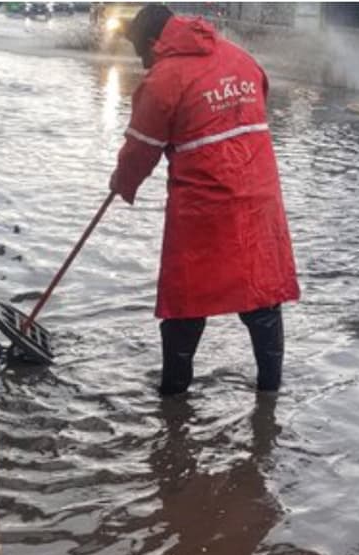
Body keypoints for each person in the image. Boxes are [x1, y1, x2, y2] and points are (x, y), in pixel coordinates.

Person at [108, 4, 300, 395]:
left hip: (204, 208)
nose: (142, 62)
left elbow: (139, 150)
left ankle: (173, 398)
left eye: (141, 53)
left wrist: (122, 183)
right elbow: (257, 102)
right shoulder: (240, 58)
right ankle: (270, 392)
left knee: (186, 300)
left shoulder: (164, 79)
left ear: (153, 42)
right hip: (260, 197)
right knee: (261, 294)